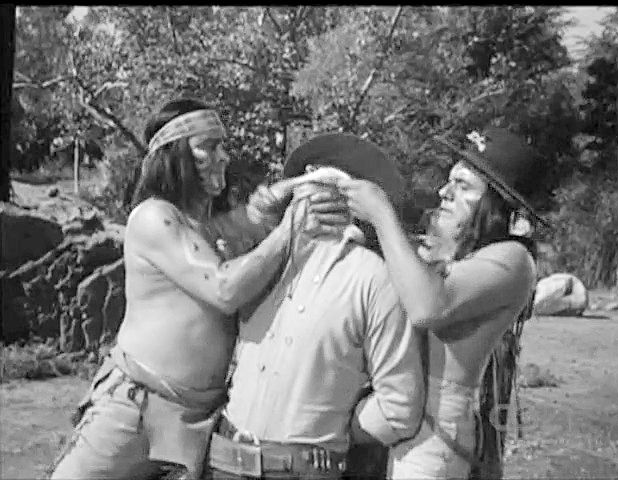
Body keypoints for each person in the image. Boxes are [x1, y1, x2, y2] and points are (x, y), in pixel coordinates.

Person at [49, 98, 349, 480]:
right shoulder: (154, 217)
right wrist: (291, 226)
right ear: (175, 156)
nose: (224, 157)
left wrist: (294, 191)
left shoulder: (204, 226)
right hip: (135, 408)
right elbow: (224, 288)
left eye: (223, 145)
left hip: (195, 422)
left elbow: (252, 218)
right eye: (209, 146)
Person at [207, 133, 425, 480]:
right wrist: (261, 211)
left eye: (318, 181)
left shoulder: (373, 278)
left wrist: (330, 430)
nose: (303, 189)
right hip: (224, 459)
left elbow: (399, 407)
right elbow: (200, 241)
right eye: (303, 179)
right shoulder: (261, 258)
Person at [337, 127, 545, 479]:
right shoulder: (447, 253)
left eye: (463, 186)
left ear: (497, 204)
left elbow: (426, 308)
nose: (443, 193)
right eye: (450, 181)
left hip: (432, 435)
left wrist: (382, 215)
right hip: (389, 407)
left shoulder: (514, 260)